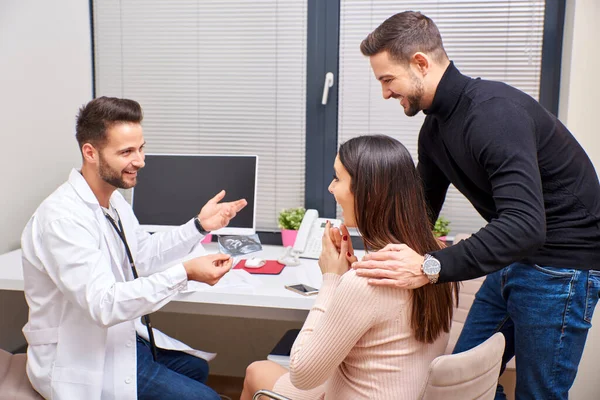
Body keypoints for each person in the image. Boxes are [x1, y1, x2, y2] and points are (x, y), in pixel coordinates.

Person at [353, 11, 600, 399]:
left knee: (539, 394)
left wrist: (429, 266)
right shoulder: (435, 129)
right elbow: (420, 214)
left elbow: (523, 225)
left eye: (388, 80)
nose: (385, 93)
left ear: (420, 62)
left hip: (561, 267)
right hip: (517, 258)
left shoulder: (492, 115)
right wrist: (372, 259)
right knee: (460, 384)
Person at [20, 96, 247, 400]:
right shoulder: (62, 219)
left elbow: (141, 255)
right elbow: (104, 304)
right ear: (90, 152)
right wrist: (185, 273)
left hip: (117, 340)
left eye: (141, 148)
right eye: (127, 152)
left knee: (196, 370)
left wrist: (199, 226)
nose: (140, 161)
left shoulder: (112, 201)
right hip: (80, 358)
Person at [240, 135, 459, 400]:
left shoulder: (365, 282)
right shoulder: (435, 262)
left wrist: (332, 280)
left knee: (256, 372)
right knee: (258, 371)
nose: (331, 188)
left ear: (368, 191)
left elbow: (301, 375)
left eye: (338, 178)